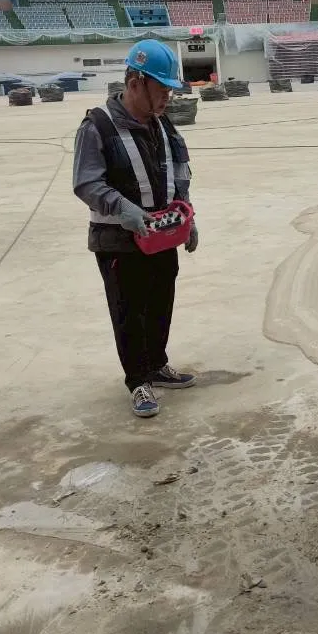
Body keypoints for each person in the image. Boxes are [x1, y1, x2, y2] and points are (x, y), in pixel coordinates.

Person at [73, 39, 199, 418]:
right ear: (134, 83)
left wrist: (188, 217)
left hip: (162, 235)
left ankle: (157, 364)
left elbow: (180, 175)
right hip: (119, 241)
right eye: (160, 92)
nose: (166, 101)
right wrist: (126, 211)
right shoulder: (97, 126)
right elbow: (86, 182)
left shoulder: (163, 126)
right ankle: (137, 380)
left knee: (161, 302)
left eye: (169, 94)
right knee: (129, 310)